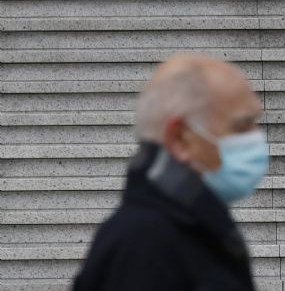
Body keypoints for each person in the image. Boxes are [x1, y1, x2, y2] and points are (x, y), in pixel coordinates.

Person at [73, 54, 267, 291]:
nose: (256, 138)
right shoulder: (145, 245)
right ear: (180, 139)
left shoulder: (188, 228)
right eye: (242, 126)